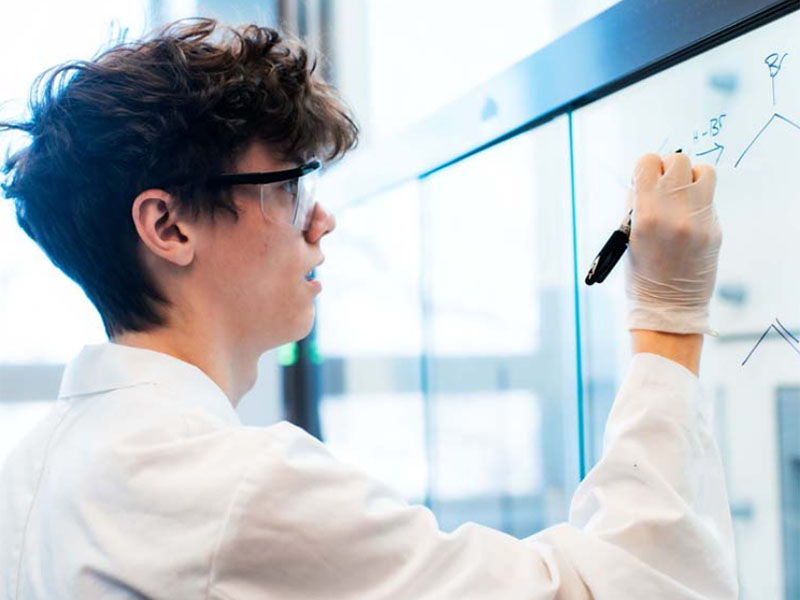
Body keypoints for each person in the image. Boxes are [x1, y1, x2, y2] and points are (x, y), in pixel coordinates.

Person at [0, 18, 736, 599]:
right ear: (169, 226)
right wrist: (668, 320)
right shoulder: (231, 490)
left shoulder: (35, 470)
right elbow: (625, 590)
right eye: (289, 186)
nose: (320, 222)